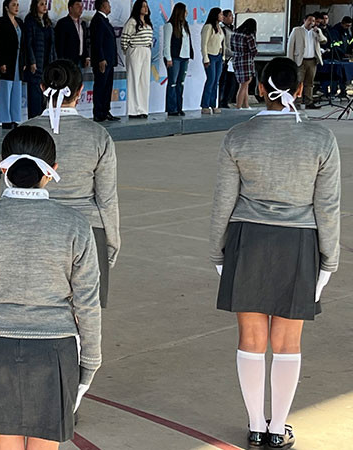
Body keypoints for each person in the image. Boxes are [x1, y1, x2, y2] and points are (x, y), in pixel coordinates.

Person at [210, 57, 340, 449]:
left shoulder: (238, 136)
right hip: (298, 242)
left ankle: (254, 424)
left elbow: (223, 203)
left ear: (261, 89)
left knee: (250, 337)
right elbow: (327, 207)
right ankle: (277, 427)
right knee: (287, 342)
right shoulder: (320, 140)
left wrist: (218, 252)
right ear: (299, 90)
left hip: (248, 240)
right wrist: (329, 260)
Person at [0, 125, 102, 449]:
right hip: (55, 350)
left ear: (3, 166)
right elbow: (87, 303)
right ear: (51, 172)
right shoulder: (75, 225)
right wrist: (89, 363)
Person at [25, 60, 119, 308]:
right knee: (86, 312)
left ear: (42, 87)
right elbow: (106, 198)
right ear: (80, 92)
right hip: (87, 230)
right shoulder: (98, 135)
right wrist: (112, 242)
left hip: (35, 229)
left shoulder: (24, 132)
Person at [0, 0, 25, 129]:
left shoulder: (20, 22)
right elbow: (0, 44)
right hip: (7, 60)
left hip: (18, 59)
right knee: (6, 89)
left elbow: (23, 43)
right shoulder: (1, 22)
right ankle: (5, 120)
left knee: (16, 89)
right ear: (6, 7)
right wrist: (1, 62)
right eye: (14, 5)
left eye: (17, 5)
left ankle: (15, 118)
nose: (16, 7)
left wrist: (24, 61)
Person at [24, 0, 56, 119]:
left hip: (47, 63)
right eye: (41, 4)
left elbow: (52, 45)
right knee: (35, 92)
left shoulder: (48, 22)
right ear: (35, 6)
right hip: (36, 63)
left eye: (45, 4)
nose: (44, 6)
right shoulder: (30, 21)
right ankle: (34, 118)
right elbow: (28, 43)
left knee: (45, 92)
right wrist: (32, 61)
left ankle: (43, 116)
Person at [121, 0, 153, 119]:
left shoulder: (148, 23)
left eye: (146, 6)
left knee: (144, 81)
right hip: (135, 50)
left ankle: (143, 109)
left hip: (146, 50)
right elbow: (124, 39)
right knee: (134, 80)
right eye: (143, 6)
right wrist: (128, 51)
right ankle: (133, 110)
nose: (145, 8)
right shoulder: (132, 22)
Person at [287, 14, 326, 110]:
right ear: (304, 20)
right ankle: (297, 102)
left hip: (312, 61)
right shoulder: (297, 30)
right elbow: (291, 46)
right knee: (299, 82)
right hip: (300, 60)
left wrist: (318, 32)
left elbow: (324, 41)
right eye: (309, 20)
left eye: (313, 21)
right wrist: (290, 61)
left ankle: (309, 101)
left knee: (310, 82)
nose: (311, 22)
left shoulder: (315, 31)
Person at [90, 0, 119, 122]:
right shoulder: (98, 20)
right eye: (108, 4)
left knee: (107, 87)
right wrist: (101, 58)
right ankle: (98, 113)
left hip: (109, 61)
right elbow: (97, 42)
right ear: (103, 6)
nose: (110, 7)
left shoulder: (104, 20)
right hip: (102, 61)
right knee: (100, 86)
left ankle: (106, 111)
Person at [162, 2, 193, 116]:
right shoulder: (169, 25)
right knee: (173, 83)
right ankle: (172, 108)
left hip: (184, 58)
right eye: (185, 11)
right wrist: (168, 58)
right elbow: (166, 44)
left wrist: (189, 55)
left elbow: (187, 42)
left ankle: (179, 107)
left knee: (181, 83)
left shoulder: (185, 25)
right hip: (174, 58)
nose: (187, 13)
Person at [200, 8, 225, 114]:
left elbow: (223, 43)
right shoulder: (208, 27)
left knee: (216, 81)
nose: (222, 16)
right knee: (211, 80)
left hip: (219, 56)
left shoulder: (220, 28)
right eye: (221, 14)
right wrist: (205, 58)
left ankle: (213, 104)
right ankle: (205, 105)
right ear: (215, 15)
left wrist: (223, 56)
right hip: (210, 56)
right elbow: (204, 44)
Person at [231, 19, 258, 110]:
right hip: (246, 61)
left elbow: (231, 46)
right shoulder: (249, 36)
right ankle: (239, 106)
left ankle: (246, 105)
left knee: (243, 84)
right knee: (244, 85)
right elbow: (253, 50)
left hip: (236, 60)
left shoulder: (235, 33)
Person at [55, 0, 90, 68]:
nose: (81, 8)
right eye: (77, 6)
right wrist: (61, 61)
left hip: (80, 61)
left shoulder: (83, 24)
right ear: (70, 8)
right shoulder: (63, 23)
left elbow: (84, 42)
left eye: (81, 6)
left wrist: (87, 57)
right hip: (67, 62)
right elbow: (59, 45)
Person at [325, 16, 351, 99]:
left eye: (349, 26)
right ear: (342, 23)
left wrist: (349, 52)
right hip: (335, 56)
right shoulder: (335, 31)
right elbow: (334, 45)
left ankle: (343, 91)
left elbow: (349, 42)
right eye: (347, 25)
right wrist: (343, 53)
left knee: (344, 76)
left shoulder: (346, 31)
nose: (348, 27)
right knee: (335, 75)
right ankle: (333, 92)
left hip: (344, 58)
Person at [218, 10, 238, 109]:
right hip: (225, 59)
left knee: (231, 82)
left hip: (232, 60)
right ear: (224, 18)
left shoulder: (233, 29)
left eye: (232, 16)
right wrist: (232, 53)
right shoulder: (223, 29)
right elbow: (224, 45)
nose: (232, 18)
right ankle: (220, 101)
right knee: (223, 81)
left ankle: (226, 100)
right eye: (230, 16)